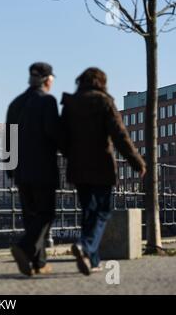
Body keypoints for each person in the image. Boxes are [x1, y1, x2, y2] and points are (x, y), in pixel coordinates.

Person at [61, 67, 146, 276]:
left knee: (88, 211)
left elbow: (61, 137)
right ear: (101, 82)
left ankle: (93, 259)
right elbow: (120, 135)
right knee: (102, 211)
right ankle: (85, 246)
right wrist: (137, 162)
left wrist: (71, 153)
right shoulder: (104, 101)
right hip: (101, 166)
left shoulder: (70, 103)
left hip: (78, 167)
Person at [6, 62, 60, 276]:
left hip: (20, 170)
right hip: (43, 169)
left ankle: (39, 263)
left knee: (30, 217)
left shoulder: (15, 103)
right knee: (46, 213)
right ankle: (24, 247)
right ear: (47, 80)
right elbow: (54, 133)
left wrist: (10, 168)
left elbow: (9, 137)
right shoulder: (47, 101)